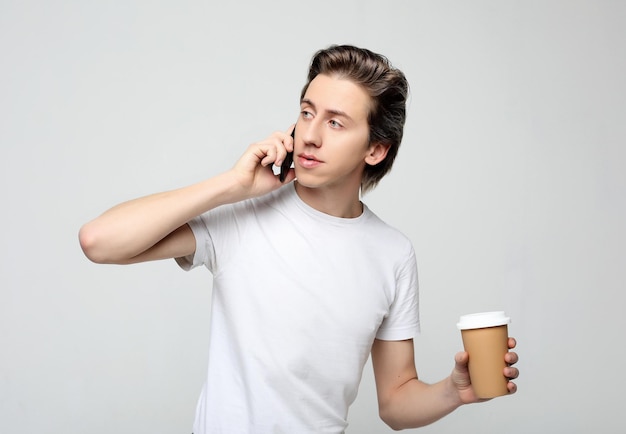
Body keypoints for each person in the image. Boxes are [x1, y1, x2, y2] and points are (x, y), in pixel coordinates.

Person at [79, 44, 519, 433]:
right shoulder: (244, 214)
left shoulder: (393, 253)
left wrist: (453, 391)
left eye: (336, 123)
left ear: (375, 149)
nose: (309, 134)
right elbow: (99, 241)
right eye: (306, 112)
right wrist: (231, 186)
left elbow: (395, 403)